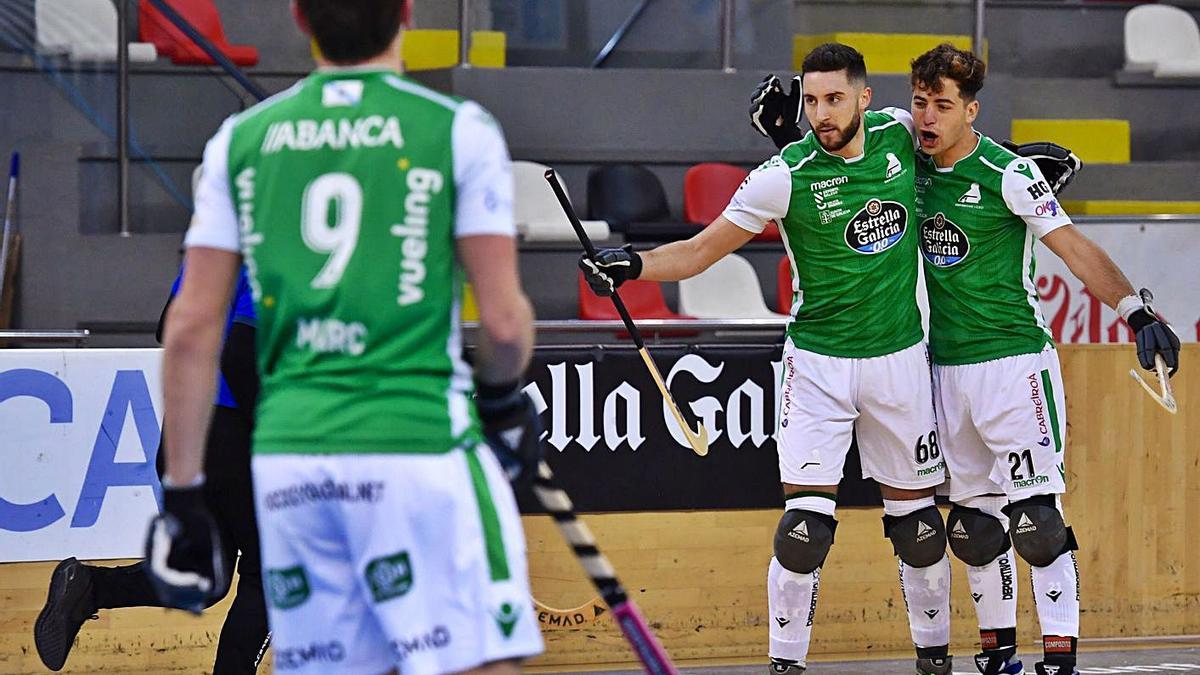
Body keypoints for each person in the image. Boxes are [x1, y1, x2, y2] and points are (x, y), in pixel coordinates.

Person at [142, 0, 544, 673]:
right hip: (414, 440)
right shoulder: (456, 130)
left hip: (293, 461)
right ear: (408, 15)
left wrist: (183, 495)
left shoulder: (241, 141)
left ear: (299, 18)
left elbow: (187, 331)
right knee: (477, 659)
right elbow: (504, 324)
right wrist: (502, 402)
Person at [582, 43, 955, 675]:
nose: (821, 113)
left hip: (900, 362)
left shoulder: (900, 133)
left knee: (920, 530)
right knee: (803, 534)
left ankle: (935, 657)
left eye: (835, 99)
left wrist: (1021, 174)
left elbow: (960, 144)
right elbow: (702, 251)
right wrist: (632, 263)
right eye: (811, 101)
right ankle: (786, 665)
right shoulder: (784, 174)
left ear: (866, 97)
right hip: (818, 367)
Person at [905, 44, 1180, 675]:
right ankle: (997, 651)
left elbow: (1074, 249)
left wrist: (1136, 311)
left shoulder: (1008, 174)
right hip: (943, 368)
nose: (927, 117)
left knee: (1036, 520)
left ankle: (1059, 654)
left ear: (971, 111)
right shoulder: (907, 166)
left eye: (943, 106)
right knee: (973, 525)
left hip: (1013, 364)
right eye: (920, 102)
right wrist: (790, 132)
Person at [33, 273, 269, 671]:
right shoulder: (278, 250)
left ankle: (91, 588)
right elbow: (242, 357)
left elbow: (167, 325)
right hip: (235, 432)